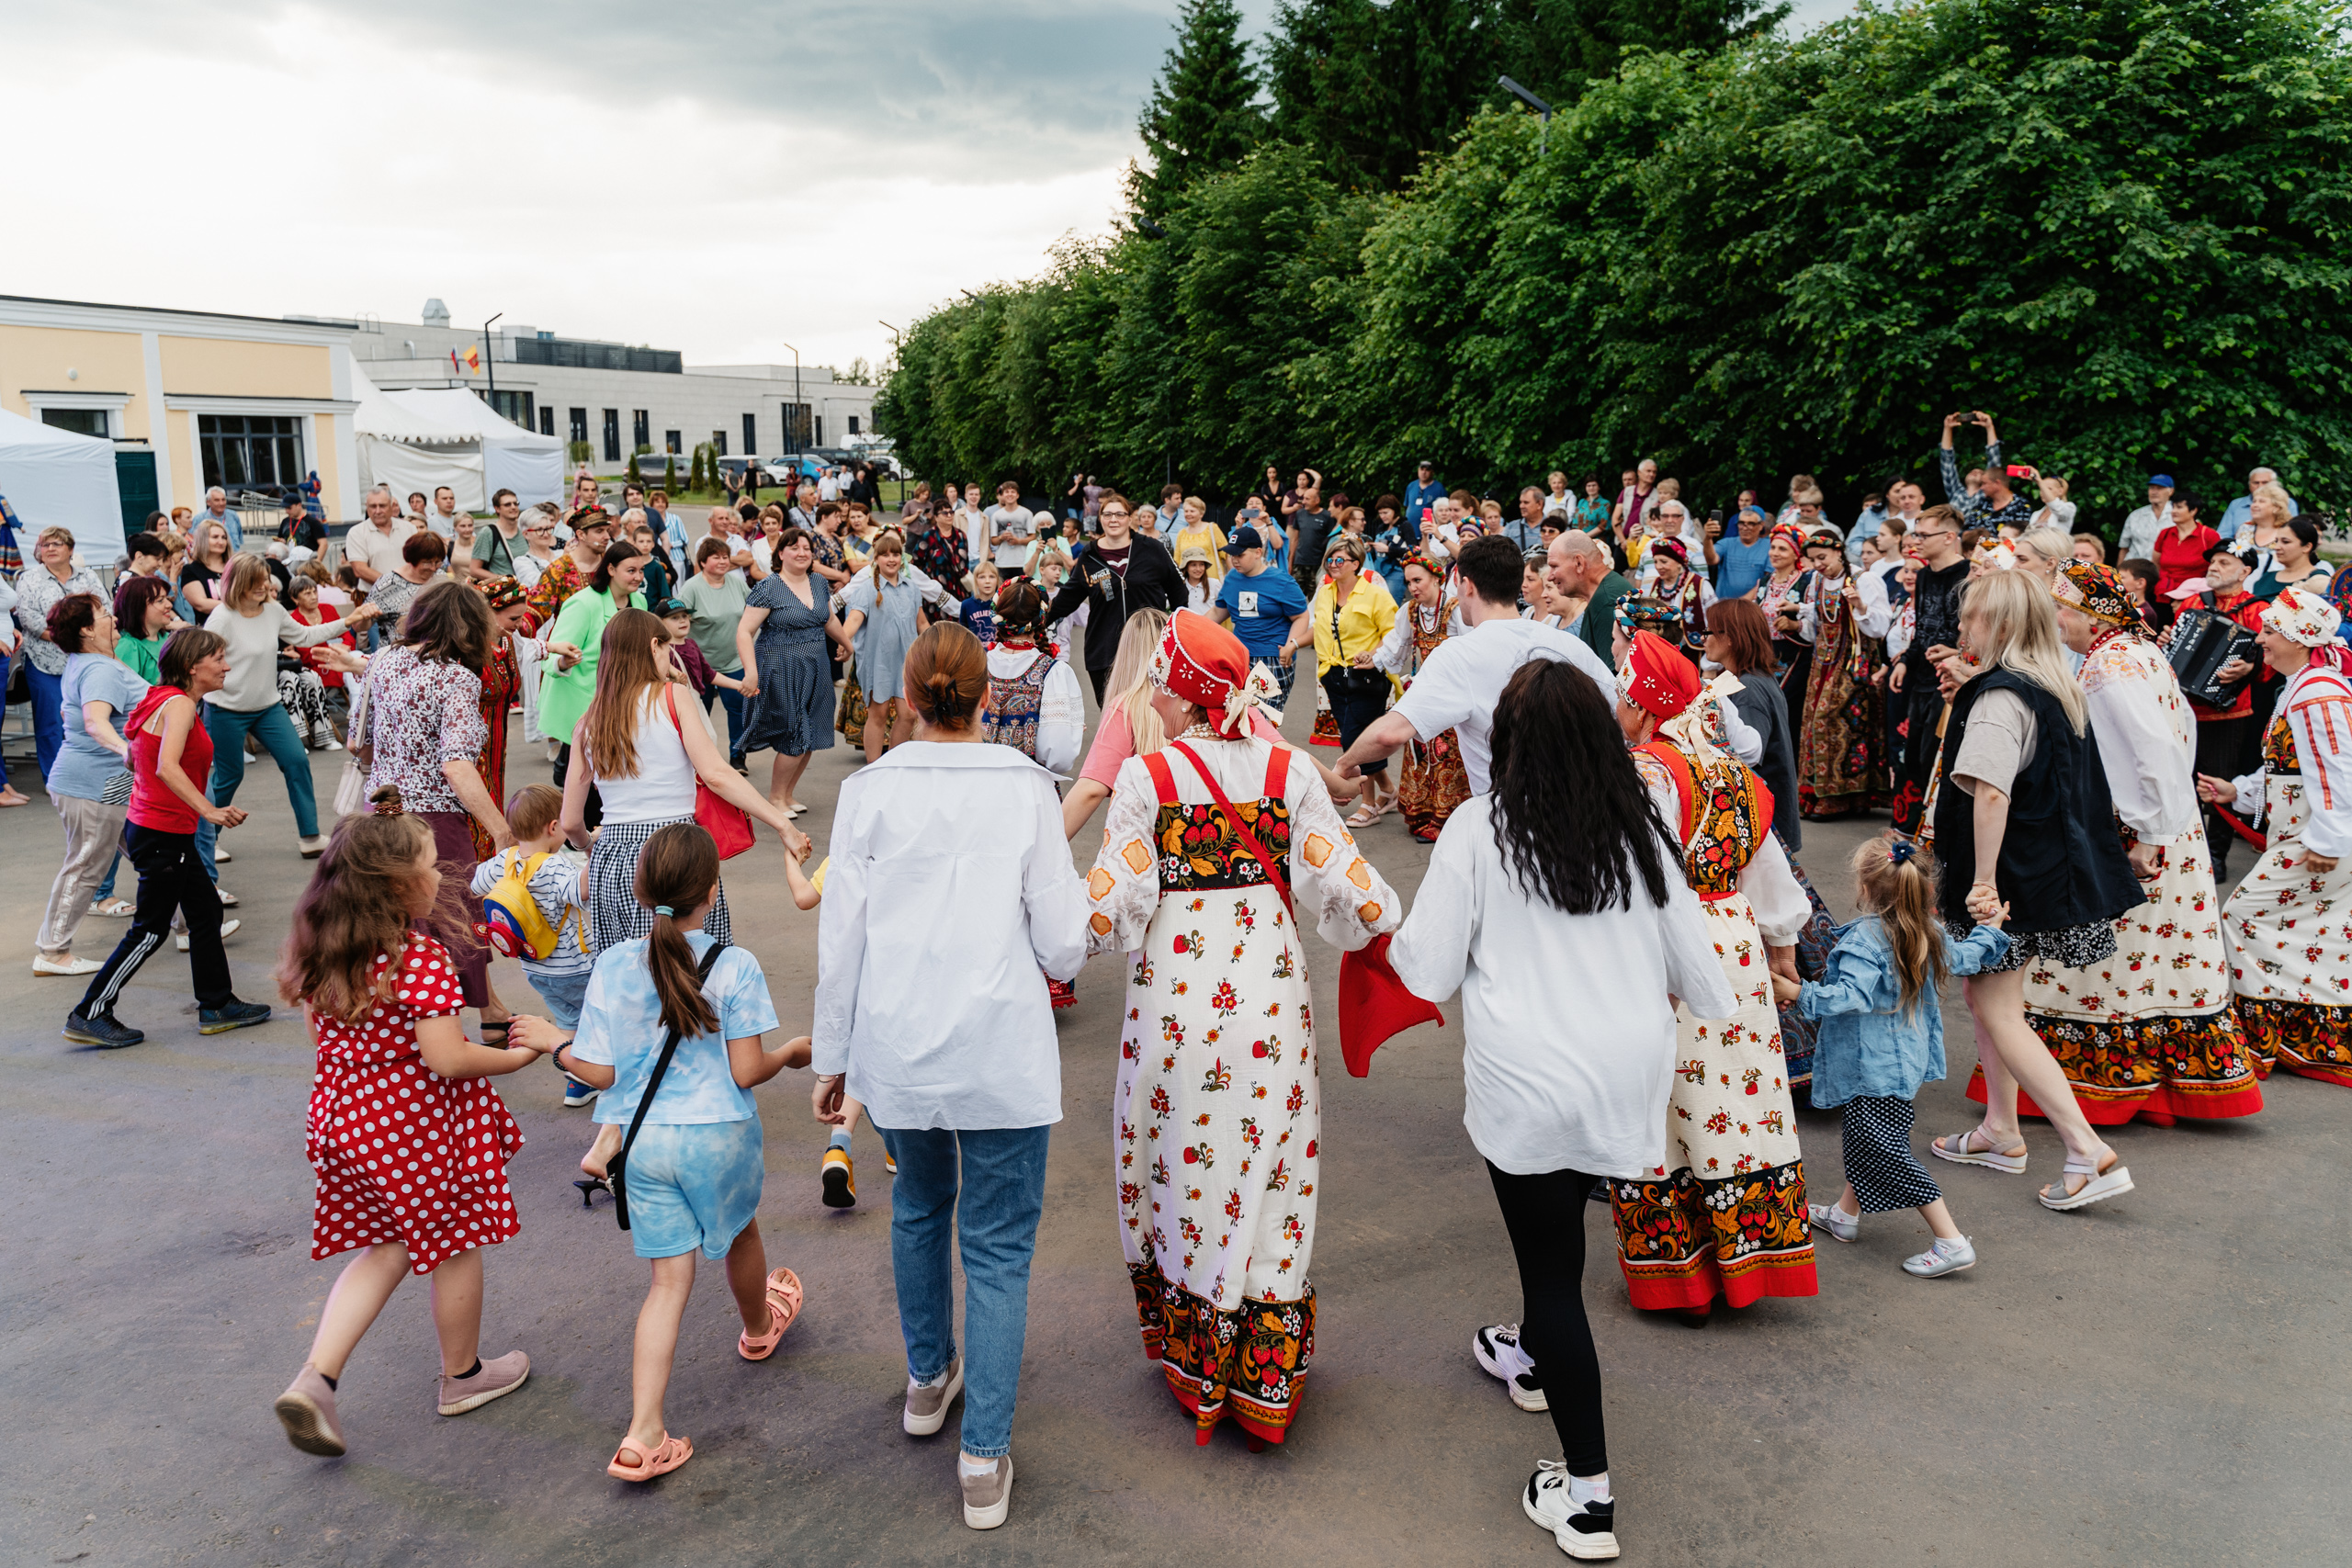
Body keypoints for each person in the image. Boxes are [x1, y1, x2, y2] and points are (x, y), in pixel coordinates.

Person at [1389, 659, 1736, 1560]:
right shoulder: (1641, 829)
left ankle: (1586, 1498)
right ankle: (1532, 1351)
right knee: (1554, 1247)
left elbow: (1422, 972)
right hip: (1625, 1072)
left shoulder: (1478, 829)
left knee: (1552, 1275)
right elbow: (1705, 978)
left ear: (1507, 741)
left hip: (1527, 1076)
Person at [1083, 610, 1401, 1450]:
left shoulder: (1147, 780)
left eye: (1160, 674)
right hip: (1268, 1006)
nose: (1151, 686)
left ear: (1182, 692)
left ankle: (1196, 1355)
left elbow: (1108, 906)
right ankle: (1263, 1371)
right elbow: (1368, 901)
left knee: (1181, 1165)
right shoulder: (1291, 769)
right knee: (1271, 1170)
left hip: (1176, 1011)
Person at [813, 623, 1087, 1529]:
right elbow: (1060, 942)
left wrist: (832, 1057)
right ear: (984, 693)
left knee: (922, 1209)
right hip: (1000, 1043)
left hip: (896, 1043)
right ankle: (983, 1454)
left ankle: (928, 1377)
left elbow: (839, 940)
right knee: (1000, 1246)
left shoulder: (866, 792)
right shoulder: (1025, 789)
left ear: (908, 689)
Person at [268, 789, 542, 1460]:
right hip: (417, 1129)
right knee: (453, 1243)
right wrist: (518, 1054)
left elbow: (318, 1034)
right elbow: (448, 1058)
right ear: (397, 886)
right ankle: (464, 1375)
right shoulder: (417, 959)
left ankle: (317, 1378)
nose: (441, 876)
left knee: (385, 1248)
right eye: (430, 867)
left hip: (346, 1122)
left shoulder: (323, 949)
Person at [539, 823, 807, 1483]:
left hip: (644, 1143)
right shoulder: (734, 965)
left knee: (666, 1286)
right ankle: (757, 1326)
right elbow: (746, 1070)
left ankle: (642, 1434)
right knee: (741, 1233)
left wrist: (553, 1042)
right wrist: (793, 1054)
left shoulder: (613, 964)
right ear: (711, 892)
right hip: (718, 1136)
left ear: (637, 889)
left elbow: (598, 1073)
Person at [1995, 563, 2261, 1126]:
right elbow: (2180, 732)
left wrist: (2146, 833)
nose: (2057, 621)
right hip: (2160, 824)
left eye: (2064, 610)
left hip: (2140, 833)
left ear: (2092, 617)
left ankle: (2099, 1082)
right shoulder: (2134, 651)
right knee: (2155, 958)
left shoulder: (2112, 667)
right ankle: (2152, 1078)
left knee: (2110, 954)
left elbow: (2156, 752)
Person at [1605, 631, 1817, 1320]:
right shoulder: (1733, 775)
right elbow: (1772, 875)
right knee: (1741, 1101)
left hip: (1664, 948)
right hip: (1734, 947)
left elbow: (1630, 878)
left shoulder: (1642, 773)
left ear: (1642, 705)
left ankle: (1685, 1275)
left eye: (1620, 688)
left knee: (1665, 1107)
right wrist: (1781, 946)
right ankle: (1748, 1263)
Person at [1926, 571, 2145, 1210]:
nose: (1961, 629)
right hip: (2041, 871)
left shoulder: (2001, 696)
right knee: (1990, 994)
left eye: (1970, 618)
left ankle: (2086, 1148)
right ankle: (2001, 1129)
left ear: (1996, 624)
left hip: (2008, 878)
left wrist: (1985, 883)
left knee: (1996, 1005)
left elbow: (1991, 791)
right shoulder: (2055, 686)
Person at [1775, 835, 2009, 1279]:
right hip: (1902, 1061)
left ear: (1865, 889)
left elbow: (1850, 996)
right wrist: (1991, 930)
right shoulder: (1929, 930)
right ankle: (1845, 1215)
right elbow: (1964, 958)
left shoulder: (1865, 940)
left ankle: (1951, 1240)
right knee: (1868, 1140)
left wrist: (1798, 992)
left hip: (1870, 1067)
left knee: (1884, 1150)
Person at [63, 630, 273, 1049]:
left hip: (162, 829)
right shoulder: (177, 704)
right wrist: (209, 811)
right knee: (149, 930)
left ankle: (217, 1004)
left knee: (205, 911)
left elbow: (134, 754)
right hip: (160, 833)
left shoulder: (160, 698)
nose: (226, 666)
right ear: (193, 665)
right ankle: (90, 1012)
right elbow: (165, 767)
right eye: (219, 658)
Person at [560, 607, 807, 955]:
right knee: (692, 967)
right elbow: (716, 774)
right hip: (676, 847)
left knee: (629, 975)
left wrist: (591, 847)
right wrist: (782, 824)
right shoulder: (672, 697)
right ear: (654, 647)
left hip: (611, 858)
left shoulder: (588, 722)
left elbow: (571, 822)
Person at [2201, 587, 2352, 1087]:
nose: (2259, 639)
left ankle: (2265, 1036)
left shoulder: (2318, 693)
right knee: (2317, 934)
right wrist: (2237, 790)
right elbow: (2287, 769)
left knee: (2243, 914)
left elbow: (2336, 772)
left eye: (2270, 631)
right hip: (2305, 833)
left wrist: (2328, 841)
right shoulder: (2303, 686)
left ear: (2299, 639)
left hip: (2315, 838)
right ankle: (2308, 1038)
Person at [354, 581, 517, 1032]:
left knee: (397, 917)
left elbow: (357, 741)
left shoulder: (382, 660)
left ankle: (473, 1012)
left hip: (383, 811)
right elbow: (458, 766)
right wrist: (501, 830)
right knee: (456, 916)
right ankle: (457, 1020)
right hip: (435, 819)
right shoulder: (456, 678)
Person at [1338, 536, 1614, 799]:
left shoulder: (1459, 655)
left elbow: (1389, 734)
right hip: (1582, 807)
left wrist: (1345, 764)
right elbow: (1623, 718)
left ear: (1467, 585)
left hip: (1509, 816)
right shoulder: (1569, 645)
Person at [204, 556, 382, 859]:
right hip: (225, 709)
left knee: (296, 761)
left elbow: (304, 636)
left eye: (266, 578)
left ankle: (310, 836)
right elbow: (204, 660)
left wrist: (348, 621)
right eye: (257, 580)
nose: (266, 586)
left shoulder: (272, 610)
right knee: (228, 775)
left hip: (267, 706)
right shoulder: (221, 618)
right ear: (238, 583)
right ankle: (208, 839)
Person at [33, 595, 143, 976]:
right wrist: (129, 752)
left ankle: (193, 924)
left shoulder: (92, 663)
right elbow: (96, 723)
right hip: (95, 785)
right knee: (85, 866)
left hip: (107, 783)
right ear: (85, 629)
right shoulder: (99, 669)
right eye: (103, 614)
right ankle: (51, 952)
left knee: (158, 856)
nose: (113, 619)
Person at [470, 784, 597, 1106]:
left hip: (536, 967)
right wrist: (595, 851)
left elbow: (476, 883)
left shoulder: (505, 860)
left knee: (569, 1021)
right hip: (576, 967)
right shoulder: (554, 866)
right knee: (596, 1019)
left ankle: (577, 1086)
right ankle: (592, 1073)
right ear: (554, 827)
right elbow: (580, 893)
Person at [737, 527, 853, 817]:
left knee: (810, 733)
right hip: (780, 668)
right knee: (795, 733)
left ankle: (787, 794)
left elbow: (826, 619)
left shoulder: (817, 581)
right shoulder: (769, 586)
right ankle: (775, 798)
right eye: (794, 548)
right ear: (781, 554)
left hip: (817, 666)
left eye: (806, 548)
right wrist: (750, 671)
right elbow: (744, 631)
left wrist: (846, 643)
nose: (801, 553)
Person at [2174, 543, 2267, 881]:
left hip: (2229, 714)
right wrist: (2168, 639)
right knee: (2183, 783)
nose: (2214, 566)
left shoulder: (2258, 611)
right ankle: (2187, 854)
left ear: (2245, 571)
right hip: (2184, 709)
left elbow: (2268, 664)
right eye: (2212, 561)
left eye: (2224, 562)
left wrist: (2248, 668)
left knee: (2219, 786)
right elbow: (2174, 649)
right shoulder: (2192, 603)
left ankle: (2216, 856)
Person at [538, 537, 651, 803]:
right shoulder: (583, 604)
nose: (638, 577)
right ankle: (575, 835)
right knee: (583, 785)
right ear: (610, 569)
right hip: (582, 704)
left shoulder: (640, 602)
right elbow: (550, 657)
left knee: (614, 782)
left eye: (641, 570)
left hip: (621, 702)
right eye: (631, 570)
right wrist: (562, 662)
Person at [1046, 494, 1184, 705]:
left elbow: (1178, 590)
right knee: (1112, 716)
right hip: (1104, 651)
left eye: (1120, 514)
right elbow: (1067, 598)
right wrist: (1035, 622)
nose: (1113, 519)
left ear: (1130, 519)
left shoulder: (1152, 549)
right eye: (1107, 514)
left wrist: (1175, 631)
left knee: (1149, 715)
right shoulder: (1089, 556)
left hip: (1149, 649)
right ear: (1100, 519)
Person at [1791, 529, 1886, 818]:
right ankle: (1820, 794)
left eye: (1822, 557)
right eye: (1812, 559)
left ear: (1838, 551)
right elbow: (1816, 626)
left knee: (1836, 725)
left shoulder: (1863, 579)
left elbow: (1880, 627)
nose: (1818, 564)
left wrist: (1859, 605)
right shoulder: (1818, 582)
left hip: (1854, 665)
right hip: (1823, 664)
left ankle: (1842, 796)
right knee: (1812, 726)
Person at [1890, 505, 1972, 835]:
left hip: (1950, 679)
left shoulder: (1967, 574)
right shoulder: (1922, 575)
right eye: (1916, 534)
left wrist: (1956, 652)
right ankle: (1907, 827)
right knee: (1912, 756)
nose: (1916, 541)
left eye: (1924, 535)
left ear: (1949, 537)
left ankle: (1931, 830)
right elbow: (1922, 627)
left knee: (1933, 757)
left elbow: (1973, 631)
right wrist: (1906, 661)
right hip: (1921, 678)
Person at [1309, 536, 1399, 827]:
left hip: (1367, 675)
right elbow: (1315, 628)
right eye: (1330, 560)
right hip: (1334, 675)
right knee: (1357, 737)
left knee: (1355, 739)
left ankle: (1369, 804)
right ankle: (1388, 790)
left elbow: (1394, 636)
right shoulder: (1324, 593)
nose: (1333, 565)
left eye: (1340, 560)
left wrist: (1372, 654)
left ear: (1356, 564)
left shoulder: (1376, 595)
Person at [16, 526, 109, 780]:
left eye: (56, 544)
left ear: (70, 549)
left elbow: (104, 609)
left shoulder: (87, 577)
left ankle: (91, 774)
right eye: (45, 545)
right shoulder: (29, 579)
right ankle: (58, 778)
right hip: (45, 662)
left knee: (88, 718)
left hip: (87, 659)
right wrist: (67, 638)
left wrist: (86, 640)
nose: (50, 549)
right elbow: (29, 619)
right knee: (51, 724)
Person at [839, 531, 940, 762]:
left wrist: (938, 647)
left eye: (895, 554)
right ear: (876, 559)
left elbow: (922, 623)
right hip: (879, 662)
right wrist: (844, 643)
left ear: (902, 558)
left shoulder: (912, 588)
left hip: (908, 662)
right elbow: (853, 621)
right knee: (879, 713)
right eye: (885, 555)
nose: (891, 559)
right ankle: (874, 767)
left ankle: (893, 762)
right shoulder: (867, 589)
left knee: (908, 714)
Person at [1213, 524, 1314, 714]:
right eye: (1232, 555)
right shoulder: (1232, 578)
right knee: (1238, 718)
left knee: (1263, 721)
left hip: (1272, 659)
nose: (1234, 560)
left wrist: (1291, 645)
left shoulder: (1282, 581)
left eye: (1240, 555)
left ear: (1258, 552)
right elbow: (1218, 613)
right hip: (1239, 657)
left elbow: (1301, 616)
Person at [681, 538, 752, 767]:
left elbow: (754, 610)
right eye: (716, 557)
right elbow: (677, 622)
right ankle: (701, 760)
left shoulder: (736, 583)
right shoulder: (691, 588)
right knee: (700, 713)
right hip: (700, 664)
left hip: (734, 659)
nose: (723, 561)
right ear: (702, 562)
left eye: (725, 557)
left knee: (738, 709)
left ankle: (738, 757)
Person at [281, 575, 356, 748]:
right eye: (307, 593)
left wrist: (345, 645)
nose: (314, 596)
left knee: (358, 660)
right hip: (319, 666)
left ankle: (358, 708)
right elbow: (307, 654)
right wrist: (335, 650)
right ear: (295, 598)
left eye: (314, 591)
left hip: (341, 658)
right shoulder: (294, 620)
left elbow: (346, 634)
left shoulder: (328, 609)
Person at [524, 506, 616, 629]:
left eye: (607, 530)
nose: (607, 537)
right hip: (570, 643)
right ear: (581, 534)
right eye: (599, 531)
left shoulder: (612, 564)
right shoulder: (559, 569)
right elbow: (534, 614)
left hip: (611, 642)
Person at [365, 531, 450, 631]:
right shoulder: (388, 584)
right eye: (427, 563)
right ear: (412, 560)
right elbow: (361, 626)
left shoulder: (440, 578)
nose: (433, 568)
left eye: (437, 562)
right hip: (400, 644)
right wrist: (365, 616)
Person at [341, 486, 418, 592]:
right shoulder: (356, 533)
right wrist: (395, 584)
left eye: (382, 506)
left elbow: (419, 560)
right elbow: (360, 569)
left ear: (391, 506)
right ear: (366, 507)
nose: (377, 511)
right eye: (373, 506)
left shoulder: (409, 528)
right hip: (373, 597)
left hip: (410, 593)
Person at [2152, 492, 2221, 599]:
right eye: (2173, 507)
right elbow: (2156, 563)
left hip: (2195, 594)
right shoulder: (2165, 533)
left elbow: (2218, 565)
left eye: (2179, 507)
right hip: (2164, 592)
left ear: (2193, 511)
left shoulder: (2208, 535)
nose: (2173, 511)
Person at [1712, 505, 1773, 602]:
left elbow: (1768, 580)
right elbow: (1711, 559)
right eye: (1741, 523)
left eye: (1751, 524)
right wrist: (1708, 538)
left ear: (1761, 525)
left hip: (1752, 607)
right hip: (1723, 605)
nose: (1745, 528)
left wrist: (1741, 603)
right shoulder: (1726, 543)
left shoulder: (1769, 546)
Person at [467, 489, 525, 583]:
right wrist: (506, 580)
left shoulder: (525, 530)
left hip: (528, 590)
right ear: (497, 508)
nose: (513, 507)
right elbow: (474, 570)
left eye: (516, 503)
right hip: (503, 593)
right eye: (507, 504)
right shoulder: (488, 533)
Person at [2118, 475, 2176, 565]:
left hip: (2166, 570)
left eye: (2159, 488)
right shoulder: (2135, 516)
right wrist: (2117, 575)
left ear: (2171, 491)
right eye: (2152, 488)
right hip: (2134, 570)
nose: (2154, 492)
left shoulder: (2181, 515)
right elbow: (2124, 548)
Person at [195, 485, 245, 551]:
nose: (221, 503)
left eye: (223, 500)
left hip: (233, 557)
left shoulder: (233, 515)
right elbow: (195, 543)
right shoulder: (199, 519)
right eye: (217, 500)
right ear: (208, 502)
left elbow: (239, 538)